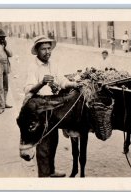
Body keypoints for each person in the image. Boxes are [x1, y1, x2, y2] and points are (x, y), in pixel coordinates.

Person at [24, 35, 80, 177]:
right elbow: (28, 90)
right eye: (44, 49)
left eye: (49, 48)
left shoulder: (52, 64)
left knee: (53, 140)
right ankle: (44, 176)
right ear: (37, 51)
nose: (47, 51)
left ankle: (51, 170)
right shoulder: (32, 66)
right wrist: (42, 82)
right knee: (43, 143)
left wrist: (72, 84)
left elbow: (61, 80)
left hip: (52, 106)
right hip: (39, 106)